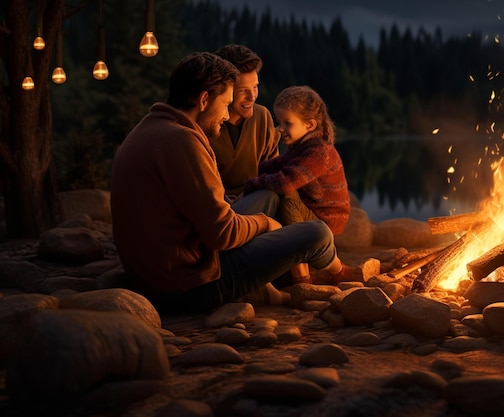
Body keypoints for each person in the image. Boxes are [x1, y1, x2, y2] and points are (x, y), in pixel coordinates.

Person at [110, 52, 349, 313]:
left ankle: (267, 284)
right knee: (317, 233)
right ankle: (337, 274)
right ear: (204, 100)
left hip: (175, 262)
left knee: (267, 196)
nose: (226, 114)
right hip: (187, 285)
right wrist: (264, 223)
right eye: (225, 104)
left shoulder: (153, 127)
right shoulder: (182, 141)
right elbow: (222, 234)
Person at [244, 86, 352, 284]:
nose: (280, 129)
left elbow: (286, 182)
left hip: (325, 219)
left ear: (309, 125)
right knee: (277, 194)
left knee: (286, 197)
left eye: (287, 123)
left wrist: (253, 184)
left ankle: (302, 277)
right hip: (310, 211)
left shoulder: (319, 152)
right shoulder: (300, 147)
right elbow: (277, 164)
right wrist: (254, 170)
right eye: (279, 122)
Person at [211, 44, 281, 215]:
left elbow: (274, 173)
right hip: (215, 210)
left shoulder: (262, 117)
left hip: (256, 203)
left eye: (255, 87)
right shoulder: (207, 122)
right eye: (243, 90)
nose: (252, 97)